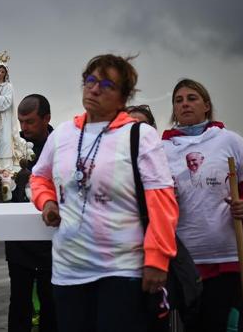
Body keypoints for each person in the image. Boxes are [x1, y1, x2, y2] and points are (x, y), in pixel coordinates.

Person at [30, 54, 179, 332]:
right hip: (68, 271)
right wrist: (48, 202)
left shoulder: (140, 136)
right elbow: (39, 177)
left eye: (107, 85)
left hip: (122, 270)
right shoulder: (61, 134)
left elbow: (161, 202)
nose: (95, 89)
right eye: (90, 80)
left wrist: (158, 260)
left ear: (123, 98)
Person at [162, 78, 243, 332]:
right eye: (178, 101)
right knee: (193, 324)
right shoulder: (162, 148)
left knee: (219, 323)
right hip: (184, 258)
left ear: (207, 106)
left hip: (227, 254)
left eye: (192, 98)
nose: (185, 104)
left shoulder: (229, 140)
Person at [6, 94, 56, 332]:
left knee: (52, 306)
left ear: (46, 118)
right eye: (20, 122)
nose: (23, 128)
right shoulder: (10, 150)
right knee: (19, 306)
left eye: (30, 122)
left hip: (52, 243)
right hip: (18, 243)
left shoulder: (62, 146)